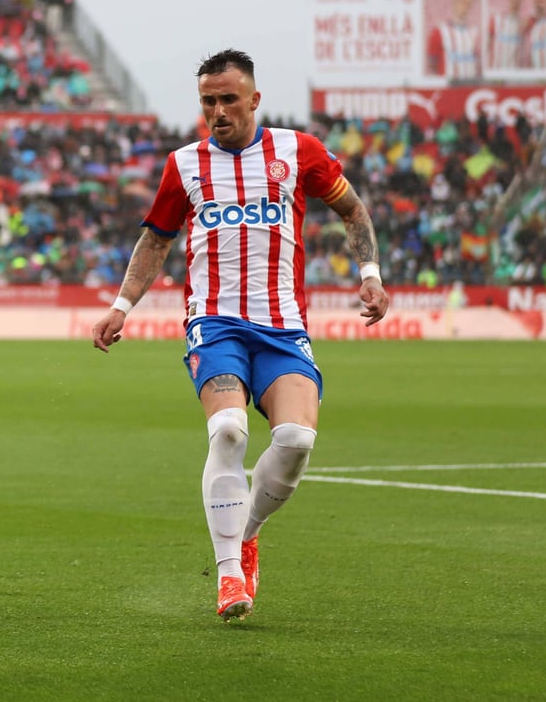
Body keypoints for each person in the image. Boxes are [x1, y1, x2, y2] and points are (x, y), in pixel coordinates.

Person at [91, 49, 389, 621]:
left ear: (254, 99)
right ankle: (229, 574)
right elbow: (156, 240)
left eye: (229, 99)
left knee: (297, 442)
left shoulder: (297, 152)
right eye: (209, 101)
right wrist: (121, 305)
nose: (219, 111)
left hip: (283, 328)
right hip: (215, 324)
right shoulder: (184, 165)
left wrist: (370, 275)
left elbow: (353, 211)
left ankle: (247, 534)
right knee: (228, 431)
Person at [427, 0, 481, 80]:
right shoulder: (439, 32)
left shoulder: (475, 33)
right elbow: (432, 64)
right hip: (448, 89)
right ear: (455, 2)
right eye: (463, 2)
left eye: (469, 4)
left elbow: (477, 62)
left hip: (469, 87)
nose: (466, 7)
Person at [489, 0, 523, 71]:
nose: (515, 4)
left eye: (518, 2)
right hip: (497, 68)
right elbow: (488, 43)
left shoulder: (522, 23)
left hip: (514, 70)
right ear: (509, 1)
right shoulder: (496, 19)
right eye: (513, 1)